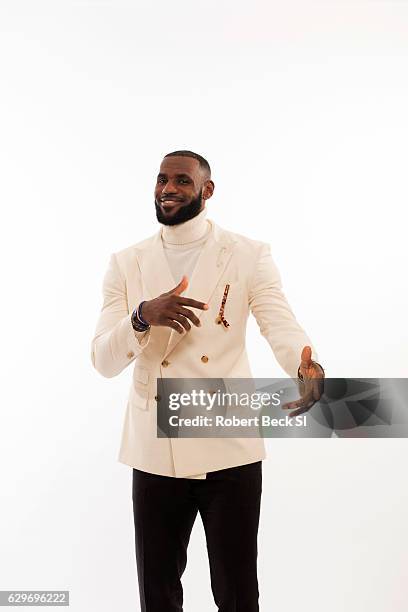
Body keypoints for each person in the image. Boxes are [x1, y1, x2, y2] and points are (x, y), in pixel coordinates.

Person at [91, 150, 324, 612]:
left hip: (227, 438)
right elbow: (102, 359)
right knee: (157, 593)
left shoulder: (248, 254)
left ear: (207, 190)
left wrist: (305, 365)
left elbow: (278, 322)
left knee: (238, 593)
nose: (168, 189)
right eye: (161, 179)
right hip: (155, 445)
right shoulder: (126, 263)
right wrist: (141, 317)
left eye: (181, 180)